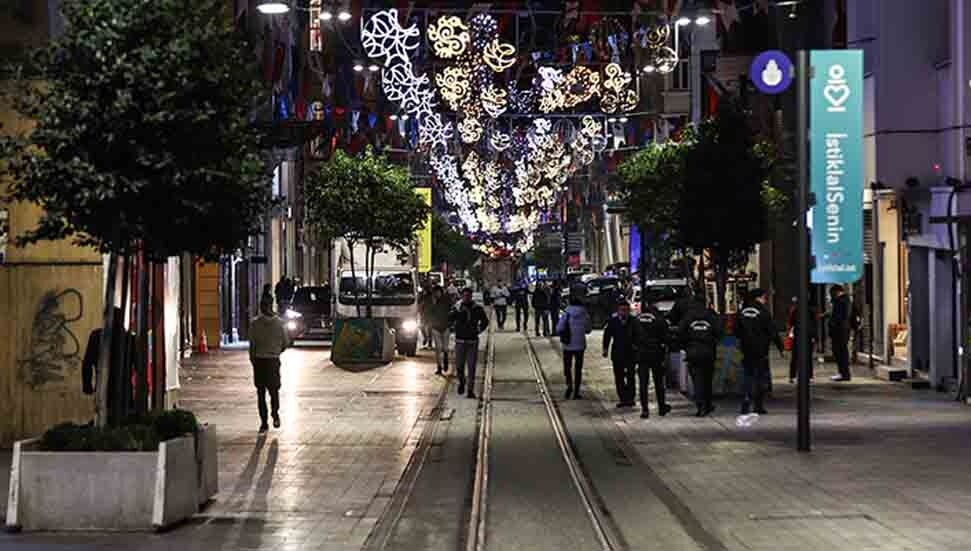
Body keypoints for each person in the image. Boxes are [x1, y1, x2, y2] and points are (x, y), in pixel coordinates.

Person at [735, 289, 785, 415]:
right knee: (760, 377)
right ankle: (758, 405)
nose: (765, 300)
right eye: (764, 297)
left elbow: (736, 330)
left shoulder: (742, 312)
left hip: (746, 349)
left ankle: (746, 399)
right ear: (759, 298)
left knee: (747, 375)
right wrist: (781, 347)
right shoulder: (763, 312)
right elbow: (772, 331)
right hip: (761, 349)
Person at [249, 298, 291, 432]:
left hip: (259, 361)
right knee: (274, 391)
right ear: (271, 306)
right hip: (273, 361)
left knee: (260, 393)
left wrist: (253, 360)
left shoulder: (255, 324)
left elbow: (252, 345)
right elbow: (286, 342)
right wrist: (276, 351)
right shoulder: (280, 323)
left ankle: (264, 422)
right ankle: (275, 414)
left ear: (261, 308)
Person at [679, 298, 721, 417]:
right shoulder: (711, 316)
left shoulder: (688, 317)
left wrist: (686, 346)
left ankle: (700, 406)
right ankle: (707, 404)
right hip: (708, 352)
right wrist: (713, 342)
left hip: (693, 352)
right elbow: (719, 332)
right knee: (707, 380)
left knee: (697, 380)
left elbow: (680, 333)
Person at [635, 299, 672, 418]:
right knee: (659, 382)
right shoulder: (659, 320)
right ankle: (661, 407)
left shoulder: (637, 320)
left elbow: (631, 336)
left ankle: (645, 409)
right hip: (656, 354)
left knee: (643, 383)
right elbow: (666, 337)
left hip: (641, 355)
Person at [450, 288, 489, 398]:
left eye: (468, 295)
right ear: (462, 296)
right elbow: (450, 318)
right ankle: (462, 381)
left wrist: (478, 330)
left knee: (471, 366)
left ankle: (470, 390)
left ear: (471, 296)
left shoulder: (477, 308)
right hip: (460, 341)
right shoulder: (457, 307)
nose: (466, 297)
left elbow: (485, 321)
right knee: (459, 365)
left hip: (472, 341)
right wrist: (454, 324)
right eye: (464, 295)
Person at [556, 293, 593, 399]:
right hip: (580, 345)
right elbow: (588, 329)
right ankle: (577, 391)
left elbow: (559, 328)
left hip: (568, 345)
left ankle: (569, 385)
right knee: (578, 368)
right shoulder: (584, 314)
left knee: (567, 367)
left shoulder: (566, 313)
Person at [603, 300, 638, 408]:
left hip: (630, 353)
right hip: (617, 353)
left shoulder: (634, 321)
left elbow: (638, 335)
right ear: (618, 311)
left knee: (631, 376)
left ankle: (631, 398)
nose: (624, 313)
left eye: (626, 310)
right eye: (622, 310)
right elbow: (607, 335)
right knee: (619, 377)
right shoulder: (613, 321)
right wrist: (605, 349)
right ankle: (622, 398)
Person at [788, 296, 818, 383]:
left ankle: (793, 376)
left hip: (798, 335)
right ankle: (809, 375)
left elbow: (791, 322)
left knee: (795, 356)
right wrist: (814, 337)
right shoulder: (810, 311)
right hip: (808, 336)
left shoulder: (796, 310)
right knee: (807, 357)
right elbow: (814, 325)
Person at [426, 286, 453, 375]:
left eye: (438, 292)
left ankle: (445, 358)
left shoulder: (447, 301)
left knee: (445, 348)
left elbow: (452, 311)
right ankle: (439, 367)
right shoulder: (431, 302)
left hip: (445, 327)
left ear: (441, 292)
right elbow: (427, 313)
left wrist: (451, 323)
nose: (437, 294)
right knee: (438, 348)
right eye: (435, 292)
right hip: (435, 328)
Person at [829, 285, 852, 381]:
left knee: (840, 352)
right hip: (843, 330)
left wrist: (832, 324)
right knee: (841, 352)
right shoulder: (846, 301)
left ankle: (843, 373)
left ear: (836, 292)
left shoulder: (840, 301)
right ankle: (843, 373)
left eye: (831, 294)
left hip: (839, 331)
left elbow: (838, 316)